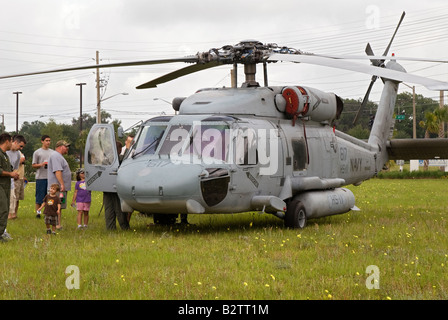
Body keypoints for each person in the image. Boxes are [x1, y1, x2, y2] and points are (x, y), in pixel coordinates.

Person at [103, 141, 129, 230]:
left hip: (106, 186)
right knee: (119, 208)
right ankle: (124, 227)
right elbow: (125, 159)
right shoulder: (117, 158)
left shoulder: (105, 159)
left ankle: (110, 227)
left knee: (108, 208)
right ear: (119, 149)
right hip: (115, 186)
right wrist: (128, 149)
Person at [47, 140, 71, 230]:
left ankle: (57, 224)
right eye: (66, 146)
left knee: (59, 207)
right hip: (57, 188)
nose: (67, 149)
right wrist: (61, 184)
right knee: (55, 206)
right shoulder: (56, 156)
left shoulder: (58, 156)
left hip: (59, 187)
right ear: (61, 147)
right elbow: (57, 171)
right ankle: (55, 225)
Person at [0, 133, 19, 242]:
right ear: (7, 141)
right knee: (2, 210)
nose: (12, 143)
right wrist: (10, 174)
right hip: (1, 186)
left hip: (6, 186)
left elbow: (9, 170)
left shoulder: (5, 155)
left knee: (5, 209)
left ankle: (1, 233)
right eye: (11, 141)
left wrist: (13, 174)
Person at [32, 135, 53, 218]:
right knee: (39, 197)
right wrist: (41, 164)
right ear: (42, 141)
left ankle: (48, 212)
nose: (48, 142)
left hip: (50, 177)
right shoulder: (37, 152)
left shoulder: (52, 152)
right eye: (46, 140)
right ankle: (38, 213)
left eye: (49, 140)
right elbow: (33, 165)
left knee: (50, 196)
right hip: (40, 177)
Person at [6, 135, 26, 220]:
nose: (21, 148)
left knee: (13, 198)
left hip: (11, 181)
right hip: (3, 179)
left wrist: (14, 175)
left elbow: (15, 168)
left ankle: (10, 216)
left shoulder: (18, 154)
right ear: (15, 142)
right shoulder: (5, 152)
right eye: (20, 146)